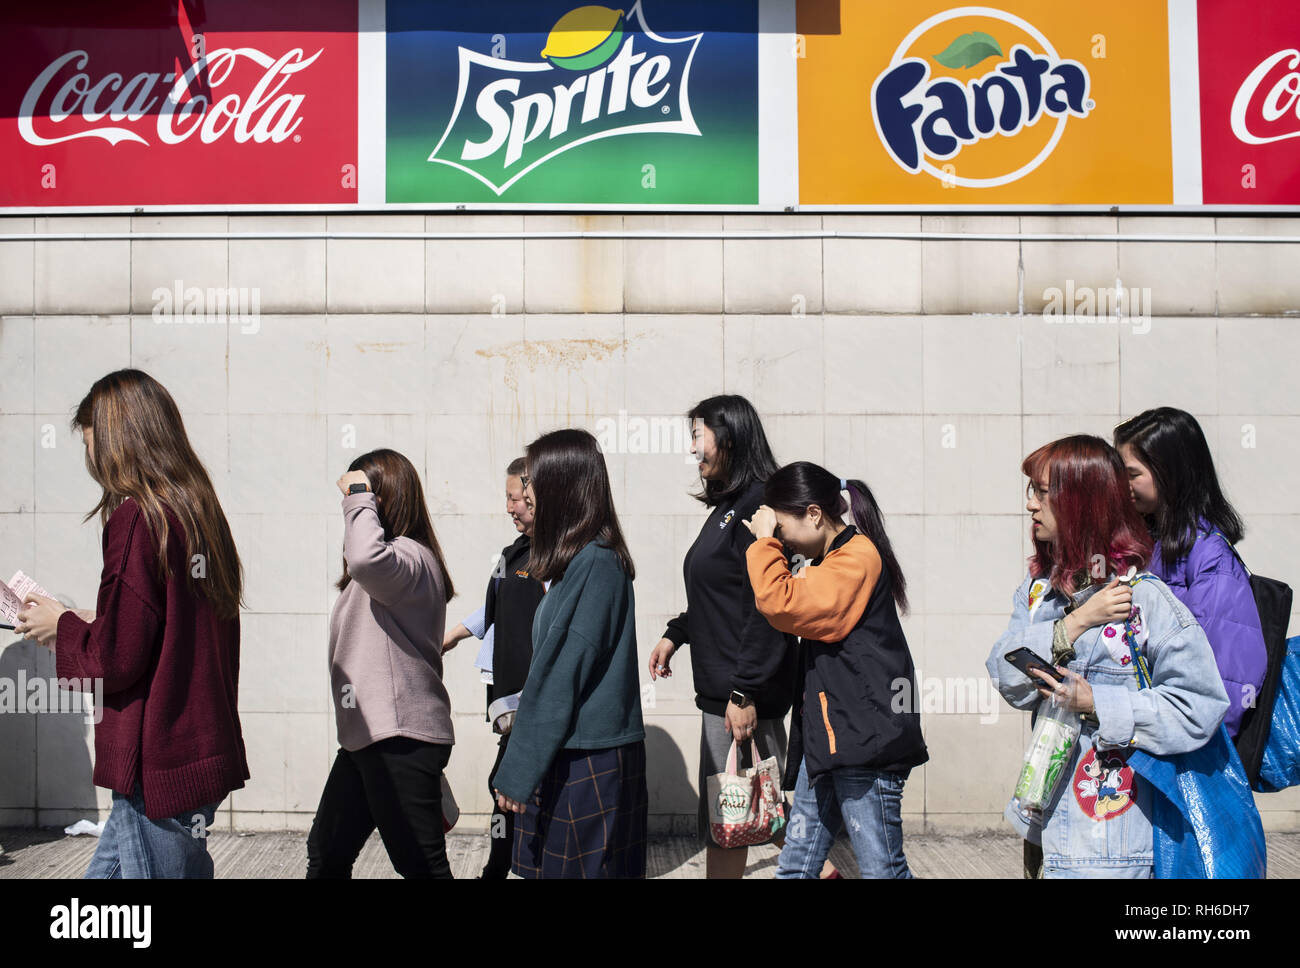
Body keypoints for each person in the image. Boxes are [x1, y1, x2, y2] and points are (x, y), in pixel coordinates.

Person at [15, 369, 248, 878]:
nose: (90, 459)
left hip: (158, 762)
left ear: (119, 440)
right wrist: (85, 618)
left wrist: (63, 629)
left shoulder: (139, 519)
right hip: (196, 750)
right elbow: (168, 625)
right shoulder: (197, 510)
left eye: (92, 442)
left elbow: (115, 660)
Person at [986, 435, 1231, 879]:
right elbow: (1005, 675)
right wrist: (1073, 623)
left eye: (1042, 493)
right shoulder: (1039, 592)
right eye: (1033, 492)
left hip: (1113, 841)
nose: (1031, 506)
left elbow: (1201, 705)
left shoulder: (1145, 601)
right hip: (1043, 827)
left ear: (1081, 503)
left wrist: (1097, 703)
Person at [743, 461, 927, 878]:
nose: (782, 540)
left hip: (865, 742)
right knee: (796, 866)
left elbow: (781, 601)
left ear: (813, 514)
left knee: (883, 869)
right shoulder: (833, 560)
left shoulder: (856, 557)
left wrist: (762, 544)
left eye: (783, 528)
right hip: (830, 740)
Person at [647, 394, 797, 879]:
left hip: (740, 693)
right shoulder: (730, 507)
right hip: (725, 692)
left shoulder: (760, 506)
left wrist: (743, 690)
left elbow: (769, 606)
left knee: (733, 818)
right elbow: (721, 596)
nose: (694, 449)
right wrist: (676, 633)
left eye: (698, 435)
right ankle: (826, 870)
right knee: (756, 811)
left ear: (728, 436)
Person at [492, 429, 647, 878]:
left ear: (563, 486)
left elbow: (559, 674)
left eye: (534, 482)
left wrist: (519, 768)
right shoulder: (580, 560)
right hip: (574, 751)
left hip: (590, 759)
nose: (526, 494)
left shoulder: (595, 563)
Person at [306, 449, 457, 879]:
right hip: (370, 738)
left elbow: (365, 558)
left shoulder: (406, 557)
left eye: (370, 495)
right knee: (327, 850)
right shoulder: (396, 566)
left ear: (382, 499)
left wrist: (357, 494)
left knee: (422, 866)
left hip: (398, 737)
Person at [1114, 408, 1266, 739]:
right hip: (1149, 736)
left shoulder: (1209, 555)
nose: (1121, 485)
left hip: (1180, 749)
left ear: (1170, 473)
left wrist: (1189, 747)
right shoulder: (1147, 545)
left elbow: (1229, 676)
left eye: (1132, 474)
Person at [443, 456, 545, 880]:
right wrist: (449, 637)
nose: (509, 507)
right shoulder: (512, 553)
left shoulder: (557, 557)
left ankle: (502, 867)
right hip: (507, 700)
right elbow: (491, 608)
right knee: (504, 788)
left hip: (537, 701)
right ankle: (502, 864)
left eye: (515, 498)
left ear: (538, 497)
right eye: (507, 498)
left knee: (507, 786)